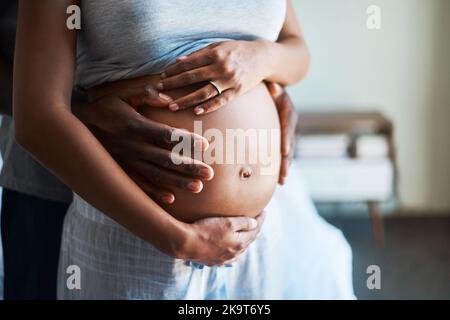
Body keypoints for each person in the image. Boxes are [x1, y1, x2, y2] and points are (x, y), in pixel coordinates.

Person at [14, 0, 313, 299]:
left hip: (255, 239)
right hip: (135, 237)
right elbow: (38, 119)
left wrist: (261, 58)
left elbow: (298, 50)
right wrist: (178, 239)